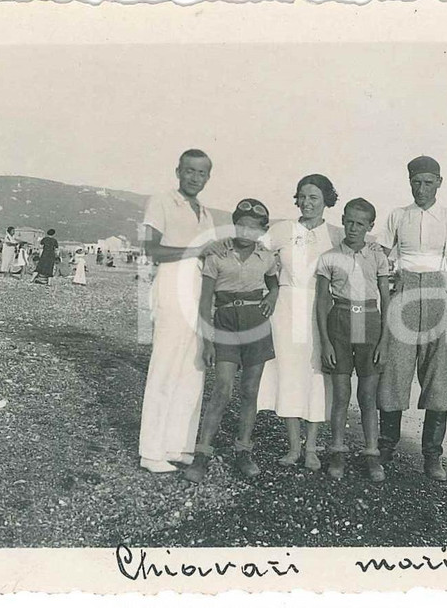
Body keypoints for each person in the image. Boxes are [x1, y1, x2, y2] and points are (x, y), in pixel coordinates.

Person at [376, 155, 447, 481]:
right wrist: (387, 300)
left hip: (439, 299)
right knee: (393, 373)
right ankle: (386, 448)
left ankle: (433, 457)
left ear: (439, 183)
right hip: (402, 296)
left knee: (438, 378)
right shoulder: (397, 216)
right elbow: (379, 259)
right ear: (409, 182)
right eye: (416, 182)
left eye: (428, 182)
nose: (422, 189)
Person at [138, 149, 228, 473]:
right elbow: (150, 249)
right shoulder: (162, 201)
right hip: (172, 283)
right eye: (188, 171)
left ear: (208, 177)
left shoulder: (205, 211)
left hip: (197, 287)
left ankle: (177, 445)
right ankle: (151, 451)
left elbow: (211, 256)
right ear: (177, 170)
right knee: (165, 365)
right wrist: (196, 250)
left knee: (192, 369)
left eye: (201, 173)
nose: (194, 177)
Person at [183, 199, 280, 484]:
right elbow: (204, 302)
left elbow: (274, 283)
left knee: (250, 391)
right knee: (222, 389)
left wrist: (273, 296)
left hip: (257, 324)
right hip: (225, 323)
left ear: (263, 231)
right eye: (240, 225)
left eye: (253, 227)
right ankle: (202, 454)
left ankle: (243, 451)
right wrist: (208, 341)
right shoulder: (216, 255)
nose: (245, 231)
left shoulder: (267, 256)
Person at [258, 174, 342, 471]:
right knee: (289, 373)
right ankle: (294, 447)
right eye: (303, 196)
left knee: (317, 374)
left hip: (321, 310)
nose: (307, 203)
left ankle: (312, 449)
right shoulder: (282, 230)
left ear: (326, 201)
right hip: (286, 306)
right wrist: (272, 288)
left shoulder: (336, 235)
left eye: (314, 198)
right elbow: (258, 255)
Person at [315, 198, 390, 482]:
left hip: (369, 322)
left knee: (368, 396)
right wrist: (325, 341)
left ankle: (371, 454)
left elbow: (387, 298)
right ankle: (337, 450)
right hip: (341, 321)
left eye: (360, 224)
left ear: (370, 226)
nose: (353, 228)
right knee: (341, 395)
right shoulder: (330, 256)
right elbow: (321, 301)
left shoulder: (378, 257)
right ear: (343, 220)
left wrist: (384, 341)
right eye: (349, 222)